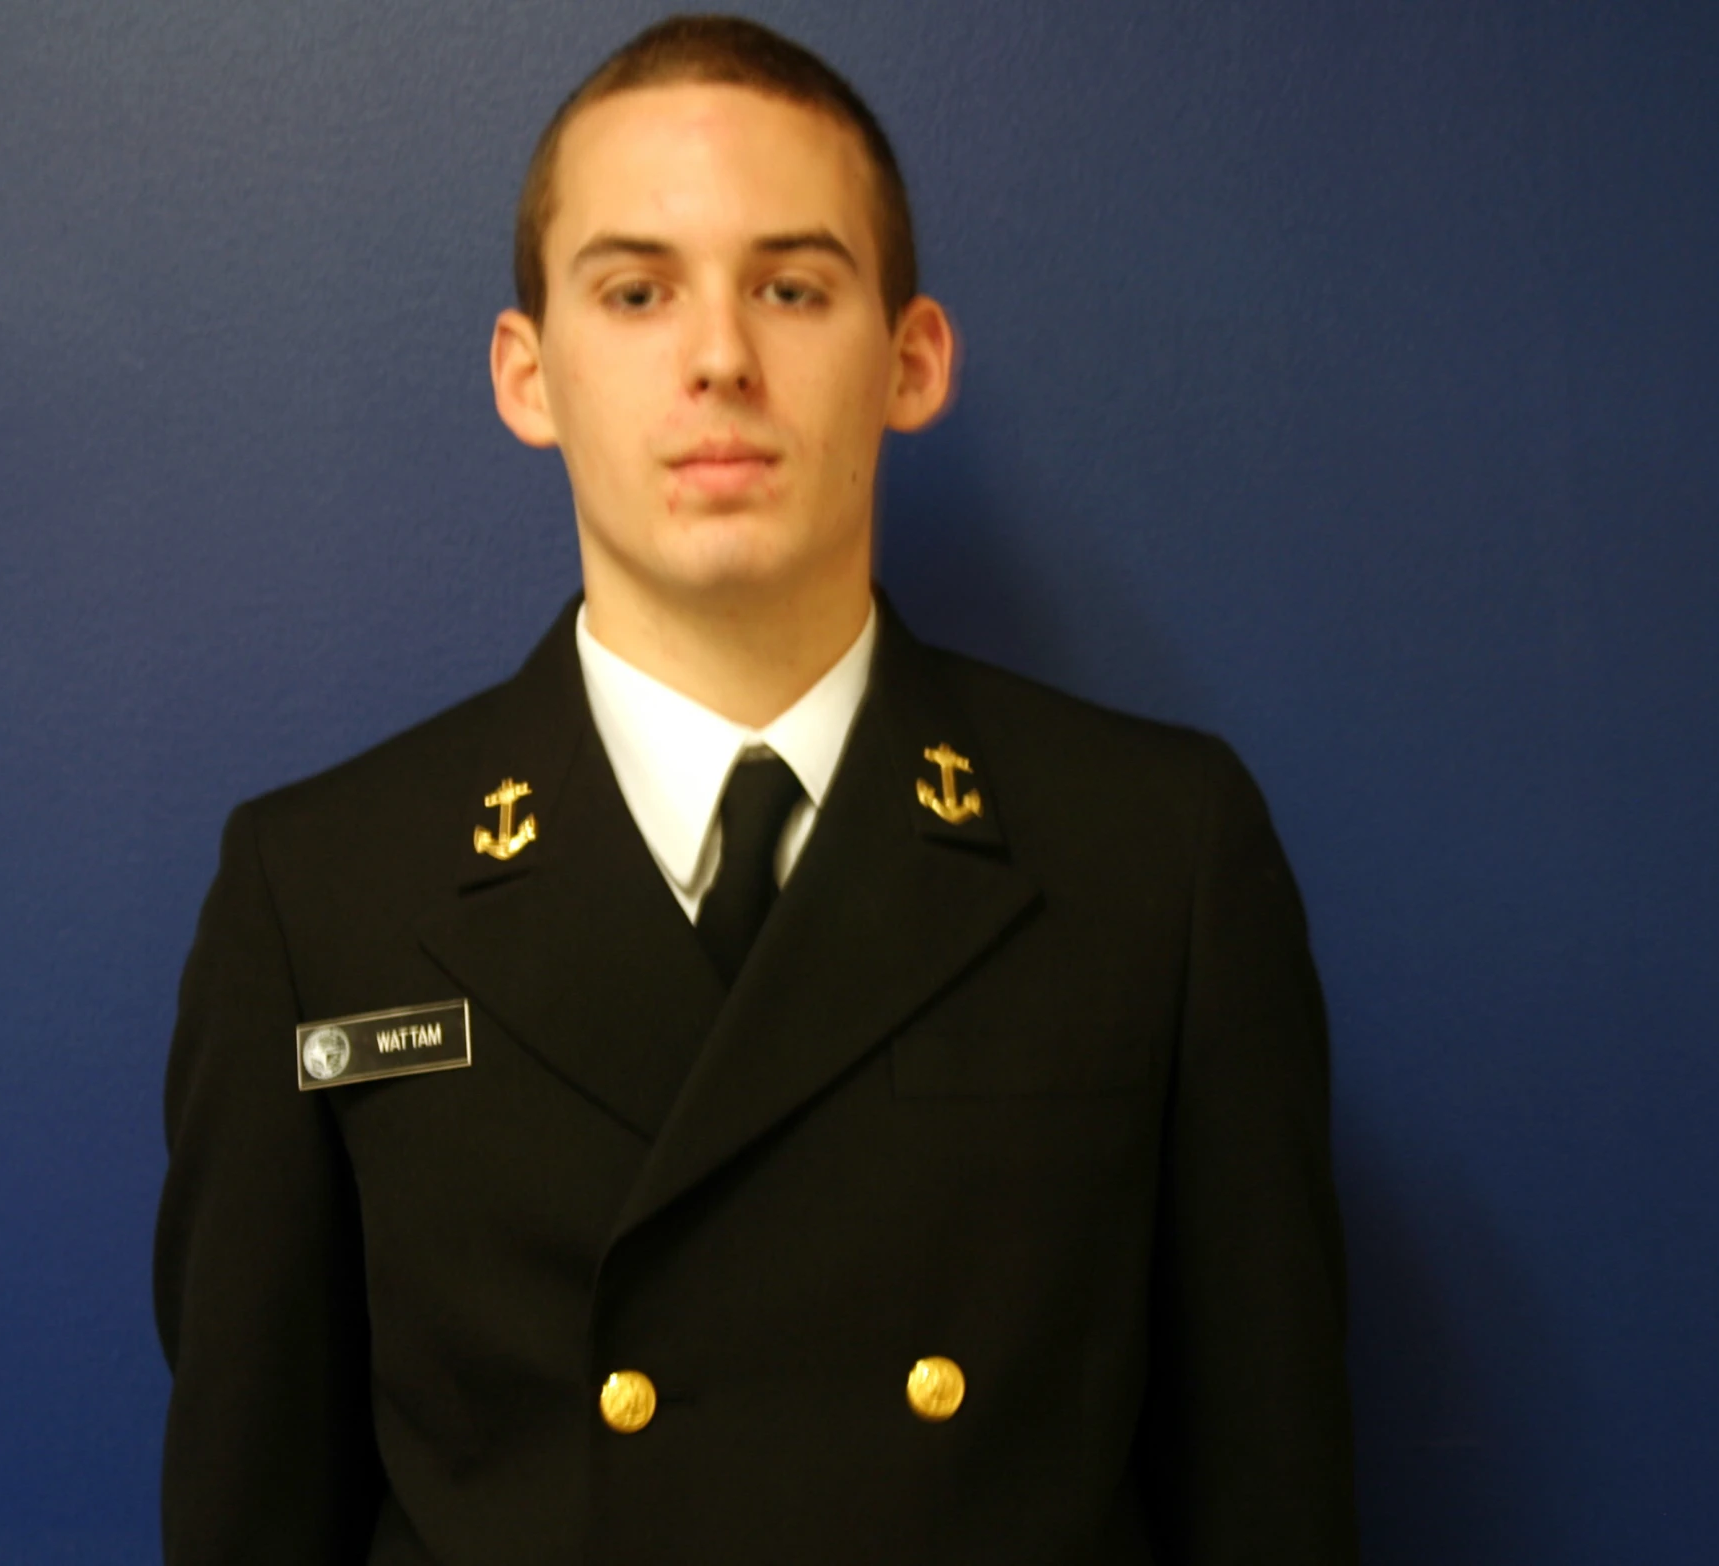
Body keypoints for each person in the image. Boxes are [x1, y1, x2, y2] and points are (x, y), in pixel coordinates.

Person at [154, 14, 1356, 1564]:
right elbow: (252, 1511)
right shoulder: (321, 889)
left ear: (908, 359)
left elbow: (1272, 1493)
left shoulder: (1152, 850)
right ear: (529, 374)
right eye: (635, 290)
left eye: (791, 286)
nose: (718, 355)